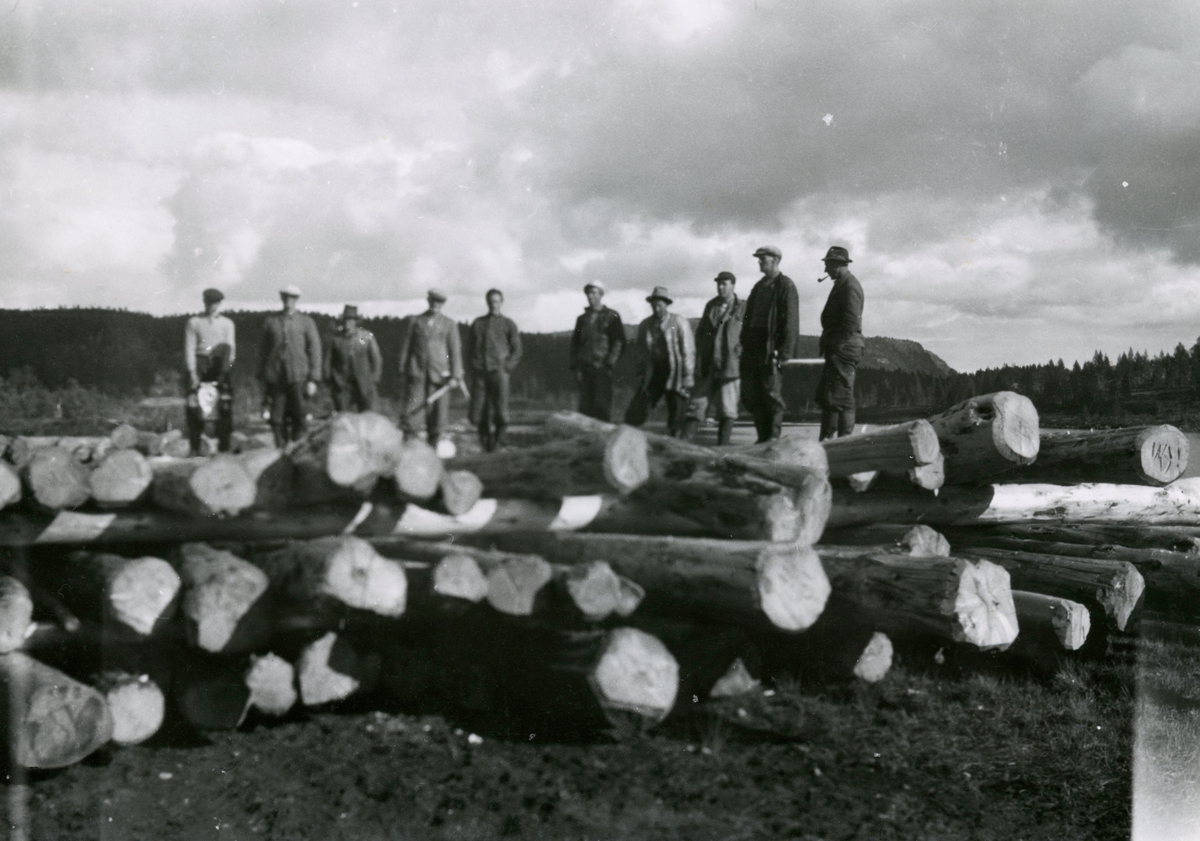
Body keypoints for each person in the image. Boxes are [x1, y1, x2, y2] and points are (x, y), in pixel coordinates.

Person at [739, 245, 800, 442]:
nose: (759, 262)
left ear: (775, 260)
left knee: (771, 395)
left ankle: (772, 440)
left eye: (763, 259)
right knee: (752, 394)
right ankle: (762, 439)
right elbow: (748, 318)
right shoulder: (759, 287)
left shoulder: (786, 286)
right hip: (753, 348)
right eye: (759, 259)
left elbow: (791, 321)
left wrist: (783, 353)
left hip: (770, 350)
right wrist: (743, 343)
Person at [682, 271, 745, 445]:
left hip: (731, 366)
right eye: (718, 284)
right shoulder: (710, 306)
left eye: (724, 284)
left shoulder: (742, 307)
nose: (720, 287)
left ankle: (722, 451)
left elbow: (751, 335)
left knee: (727, 409)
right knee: (696, 406)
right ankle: (682, 447)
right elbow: (701, 332)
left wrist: (741, 350)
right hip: (708, 364)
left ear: (733, 285)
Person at [623, 286, 695, 437]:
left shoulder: (679, 322)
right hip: (655, 371)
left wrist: (688, 375)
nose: (656, 308)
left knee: (677, 407)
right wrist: (641, 372)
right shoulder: (645, 325)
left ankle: (676, 442)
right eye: (654, 305)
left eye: (660, 305)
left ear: (666, 304)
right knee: (640, 406)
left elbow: (688, 350)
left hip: (675, 369)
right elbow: (641, 351)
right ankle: (627, 435)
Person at [258, 284, 322, 447]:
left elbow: (315, 351)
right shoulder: (271, 322)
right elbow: (263, 352)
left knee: (299, 416)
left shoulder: (306, 322)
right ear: (282, 299)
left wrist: (313, 379)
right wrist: (262, 378)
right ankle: (281, 452)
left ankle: (298, 451)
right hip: (276, 378)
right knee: (276, 418)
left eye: (292, 298)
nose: (289, 301)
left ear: (296, 300)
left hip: (299, 377)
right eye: (286, 297)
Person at [397, 289, 464, 444]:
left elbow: (455, 351)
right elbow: (406, 347)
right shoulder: (415, 321)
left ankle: (432, 452)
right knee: (412, 415)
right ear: (428, 301)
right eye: (433, 301)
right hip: (417, 374)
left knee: (437, 419)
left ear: (442, 304)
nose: (435, 305)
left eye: (439, 303)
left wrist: (455, 375)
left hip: (440, 377)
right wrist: (402, 369)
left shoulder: (449, 324)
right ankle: (409, 451)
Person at [816, 245, 865, 440]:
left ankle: (839, 443)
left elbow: (851, 322)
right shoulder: (844, 284)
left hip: (844, 349)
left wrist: (836, 346)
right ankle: (834, 441)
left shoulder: (850, 286)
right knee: (835, 396)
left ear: (838, 264)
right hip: (843, 348)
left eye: (828, 265)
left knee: (839, 398)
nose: (825, 270)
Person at [466, 289, 522, 452]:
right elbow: (468, 349)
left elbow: (517, 349)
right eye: (490, 301)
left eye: (496, 301)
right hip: (480, 373)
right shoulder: (478, 323)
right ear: (487, 302)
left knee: (501, 411)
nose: (493, 304)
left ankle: (498, 442)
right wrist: (472, 368)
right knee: (478, 412)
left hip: (499, 372)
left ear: (501, 302)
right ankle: (486, 443)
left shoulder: (508, 324)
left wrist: (507, 366)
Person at [184, 288, 235, 455]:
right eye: (209, 302)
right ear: (204, 302)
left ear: (219, 304)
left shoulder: (227, 324)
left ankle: (224, 447)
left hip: (221, 365)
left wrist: (225, 373)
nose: (212, 306)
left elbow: (230, 349)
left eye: (215, 303)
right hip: (200, 364)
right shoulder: (194, 322)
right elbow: (189, 348)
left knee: (224, 405)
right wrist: (192, 373)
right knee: (194, 406)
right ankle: (195, 447)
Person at [570, 281, 626, 422]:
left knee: (601, 407)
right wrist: (576, 367)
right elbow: (575, 345)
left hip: (602, 368)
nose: (590, 296)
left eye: (594, 292)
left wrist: (609, 363)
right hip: (584, 368)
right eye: (588, 293)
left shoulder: (612, 316)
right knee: (585, 409)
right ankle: (587, 442)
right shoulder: (581, 320)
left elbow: (618, 342)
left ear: (601, 294)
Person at [324, 304, 383, 412]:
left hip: (364, 384)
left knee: (368, 415)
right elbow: (328, 361)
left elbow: (376, 359)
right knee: (343, 417)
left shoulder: (366, 336)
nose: (347, 323)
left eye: (351, 320)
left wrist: (374, 379)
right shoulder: (336, 339)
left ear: (356, 322)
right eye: (345, 320)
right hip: (342, 385)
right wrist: (330, 380)